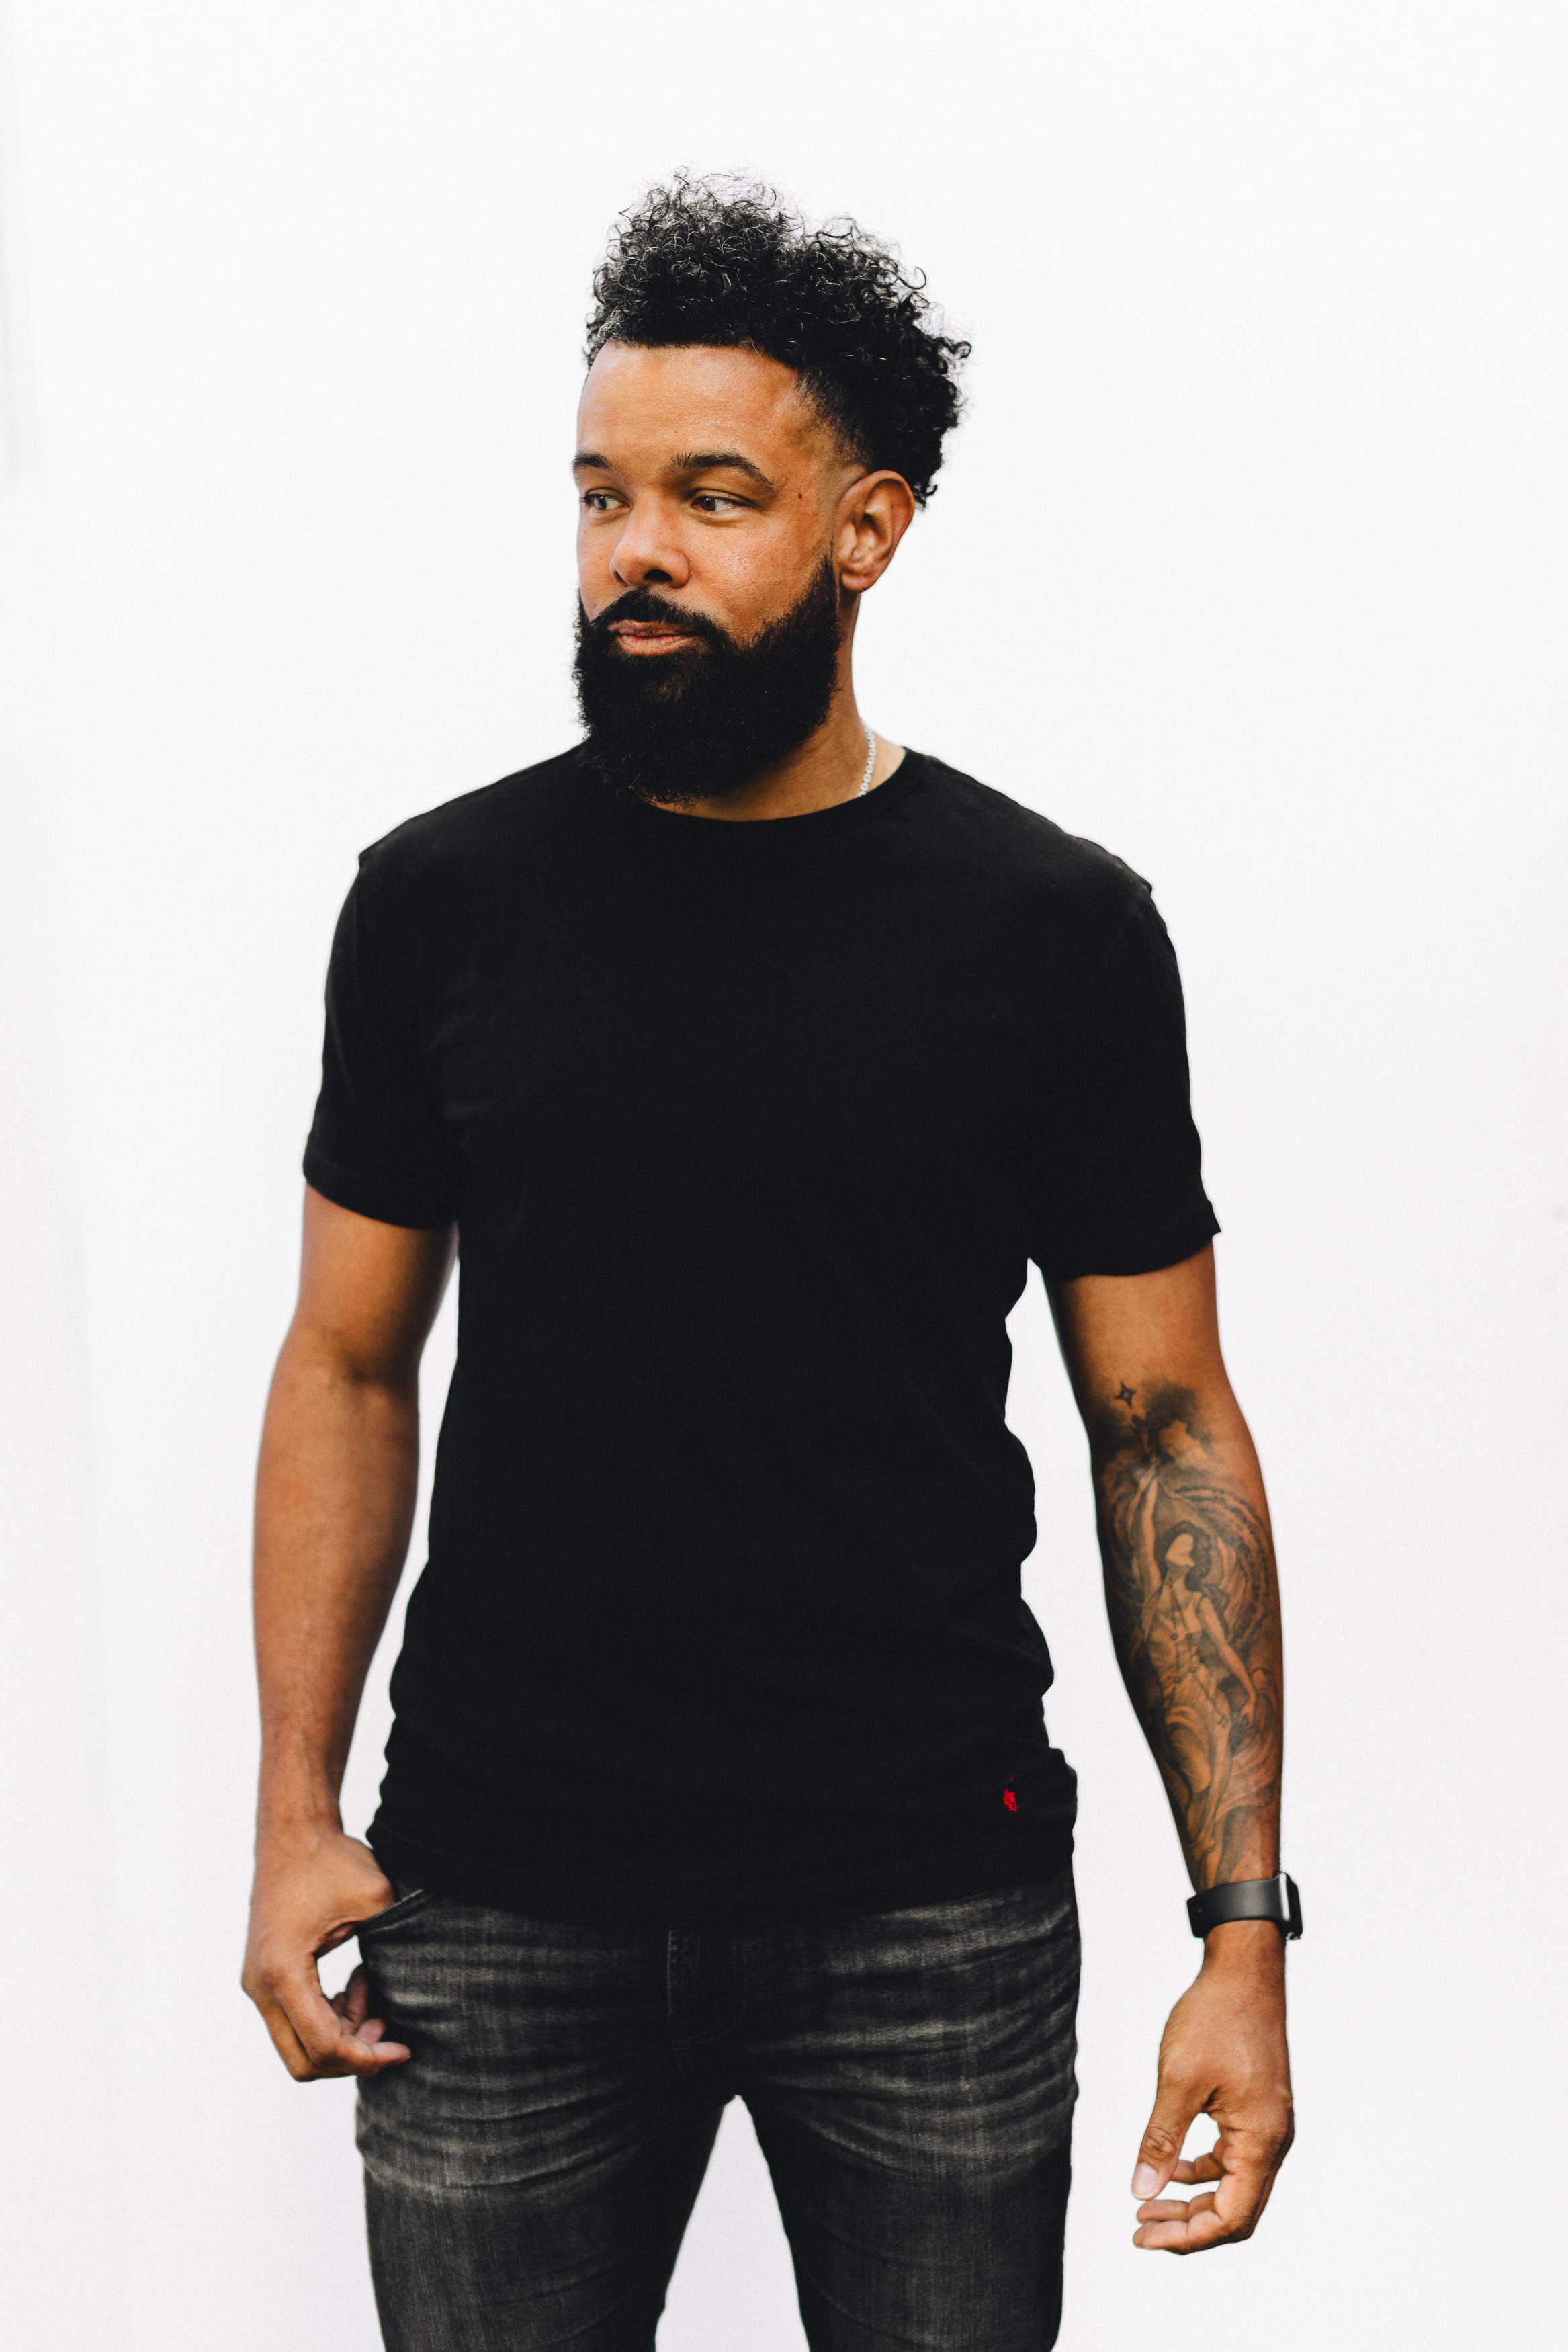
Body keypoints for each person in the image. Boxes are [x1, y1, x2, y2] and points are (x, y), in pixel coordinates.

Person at [242, 177, 1296, 2351]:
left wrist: (1243, 1928)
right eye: (601, 494)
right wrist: (291, 1809)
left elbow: (1164, 1420)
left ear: (866, 529)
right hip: (499, 1889)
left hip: (927, 1902)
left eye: (713, 498)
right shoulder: (440, 903)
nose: (637, 550)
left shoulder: (1053, 932)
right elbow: (347, 1360)